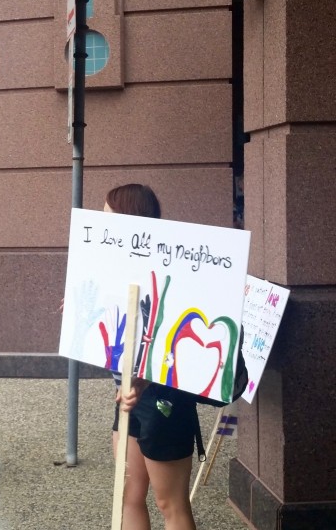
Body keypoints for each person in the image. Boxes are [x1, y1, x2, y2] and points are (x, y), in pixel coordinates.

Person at [106, 183, 198, 530]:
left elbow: (177, 344)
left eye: (109, 218)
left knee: (170, 503)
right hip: (127, 397)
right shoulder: (112, 270)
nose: (102, 228)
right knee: (128, 494)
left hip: (165, 399)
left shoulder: (171, 272)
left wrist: (147, 380)